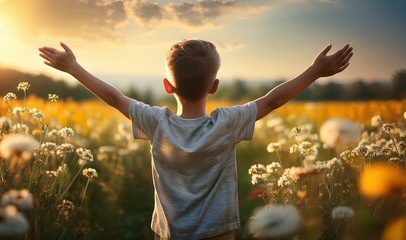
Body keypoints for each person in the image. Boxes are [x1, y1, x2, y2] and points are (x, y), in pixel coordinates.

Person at [39, 39, 353, 239]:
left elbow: (114, 97)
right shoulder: (226, 124)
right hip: (217, 233)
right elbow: (272, 100)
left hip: (169, 234)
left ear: (167, 85)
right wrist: (314, 71)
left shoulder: (156, 122)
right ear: (214, 86)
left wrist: (74, 67)